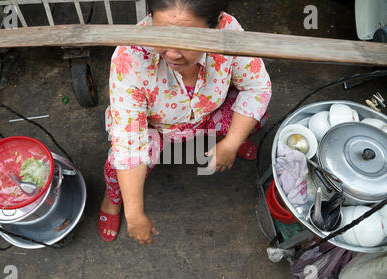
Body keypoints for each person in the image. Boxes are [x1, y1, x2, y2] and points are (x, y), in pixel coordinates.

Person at [99, 0, 272, 245]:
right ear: (151, 20)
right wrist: (135, 214)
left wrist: (231, 143)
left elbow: (256, 87)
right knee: (117, 163)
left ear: (217, 26)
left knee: (256, 118)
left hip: (208, 112)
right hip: (155, 128)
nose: (171, 53)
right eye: (162, 33)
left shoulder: (229, 31)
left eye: (187, 38)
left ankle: (226, 140)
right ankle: (113, 200)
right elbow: (129, 146)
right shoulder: (130, 58)